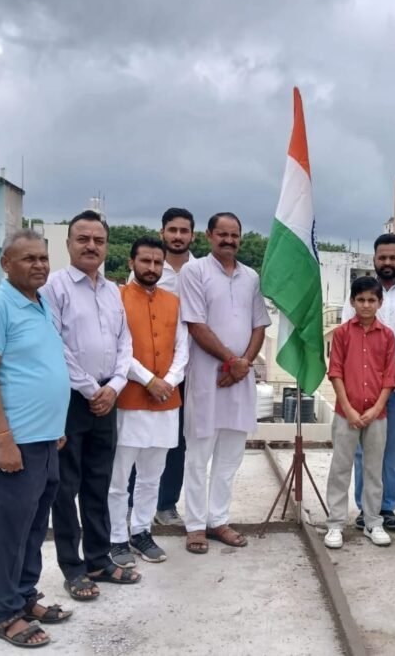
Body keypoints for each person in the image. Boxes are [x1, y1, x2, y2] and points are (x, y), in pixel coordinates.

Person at [0, 230, 72, 648]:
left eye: (43, 258)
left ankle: (25, 595)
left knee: (34, 527)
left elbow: (41, 367)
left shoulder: (41, 302)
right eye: (29, 258)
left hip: (46, 441)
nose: (39, 265)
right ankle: (5, 613)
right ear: (6, 264)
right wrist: (4, 438)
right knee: (12, 532)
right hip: (15, 443)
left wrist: (56, 427)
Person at [42, 210, 138, 600]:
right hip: (69, 400)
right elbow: (54, 344)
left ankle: (99, 559)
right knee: (66, 487)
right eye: (83, 239)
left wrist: (114, 386)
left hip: (107, 399)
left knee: (99, 483)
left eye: (98, 240)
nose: (91, 246)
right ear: (68, 244)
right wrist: (89, 389)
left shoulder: (113, 290)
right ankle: (73, 567)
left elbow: (124, 343)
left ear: (106, 246)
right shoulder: (54, 287)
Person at [179, 212, 271, 553]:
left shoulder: (251, 277)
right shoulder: (194, 271)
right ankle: (194, 526)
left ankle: (218, 520)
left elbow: (259, 324)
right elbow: (195, 325)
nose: (229, 240)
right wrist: (232, 361)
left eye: (234, 235)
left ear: (240, 239)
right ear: (208, 236)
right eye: (222, 234)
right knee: (198, 456)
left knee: (230, 457)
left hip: (240, 382)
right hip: (207, 379)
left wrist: (243, 363)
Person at [108, 237, 189, 566]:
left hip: (167, 402)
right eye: (145, 261)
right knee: (119, 477)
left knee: (151, 475)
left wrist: (169, 380)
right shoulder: (117, 298)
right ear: (132, 263)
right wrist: (149, 380)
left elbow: (183, 348)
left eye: (157, 262)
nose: (152, 267)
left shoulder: (174, 301)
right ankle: (116, 537)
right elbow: (118, 349)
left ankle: (141, 531)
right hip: (130, 400)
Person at [341, 233, 395, 531]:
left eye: (393, 257)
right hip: (362, 390)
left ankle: (387, 507)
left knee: (392, 450)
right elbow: (347, 338)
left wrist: (389, 377)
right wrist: (369, 380)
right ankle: (366, 508)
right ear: (374, 259)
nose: (387, 262)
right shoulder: (358, 294)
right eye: (382, 257)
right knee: (363, 451)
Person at [126, 208, 196, 527]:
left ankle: (166, 504)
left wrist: (172, 376)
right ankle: (130, 505)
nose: (178, 236)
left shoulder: (199, 270)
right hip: (143, 372)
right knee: (136, 441)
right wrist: (147, 376)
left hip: (184, 371)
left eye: (184, 231)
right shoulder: (148, 269)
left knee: (176, 441)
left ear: (192, 235)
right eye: (172, 230)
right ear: (162, 232)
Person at [324, 276, 395, 549]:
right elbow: (335, 372)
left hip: (377, 415)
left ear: (380, 302)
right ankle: (335, 524)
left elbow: (390, 377)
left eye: (371, 300)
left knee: (373, 470)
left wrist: (377, 408)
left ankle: (372, 522)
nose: (366, 305)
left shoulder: (387, 336)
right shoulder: (342, 333)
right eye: (361, 300)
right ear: (352, 302)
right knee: (340, 468)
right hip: (347, 413)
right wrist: (349, 409)